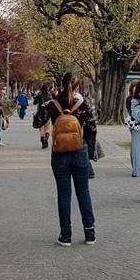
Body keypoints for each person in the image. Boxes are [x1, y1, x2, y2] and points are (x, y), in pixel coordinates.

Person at [47, 74, 96, 246]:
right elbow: (92, 129)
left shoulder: (53, 104)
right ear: (77, 86)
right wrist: (89, 154)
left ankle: (66, 235)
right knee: (84, 192)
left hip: (59, 153)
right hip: (79, 151)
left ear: (61, 84)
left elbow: (37, 122)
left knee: (63, 194)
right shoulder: (83, 105)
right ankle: (90, 232)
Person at [34, 84, 53, 149]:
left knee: (41, 128)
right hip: (47, 113)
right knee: (48, 127)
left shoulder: (39, 94)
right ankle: (46, 137)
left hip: (40, 113)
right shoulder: (50, 95)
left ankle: (43, 141)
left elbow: (34, 102)